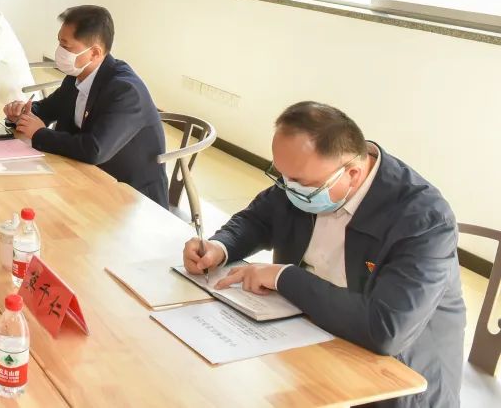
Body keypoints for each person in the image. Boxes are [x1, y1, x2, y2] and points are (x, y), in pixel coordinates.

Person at [182, 102, 465, 407]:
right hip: (308, 340)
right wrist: (220, 247)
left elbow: (386, 329)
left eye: (300, 182)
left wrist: (283, 277)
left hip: (394, 383)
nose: (288, 188)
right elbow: (259, 219)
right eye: (282, 176)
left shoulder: (424, 220)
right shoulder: (306, 179)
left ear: (352, 173)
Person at [6, 6, 168, 208]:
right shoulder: (77, 76)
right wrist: (22, 114)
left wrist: (39, 133)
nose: (59, 51)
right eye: (59, 42)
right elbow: (47, 109)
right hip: (83, 178)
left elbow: (94, 149)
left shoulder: (125, 91)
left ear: (94, 53)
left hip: (131, 199)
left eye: (66, 46)